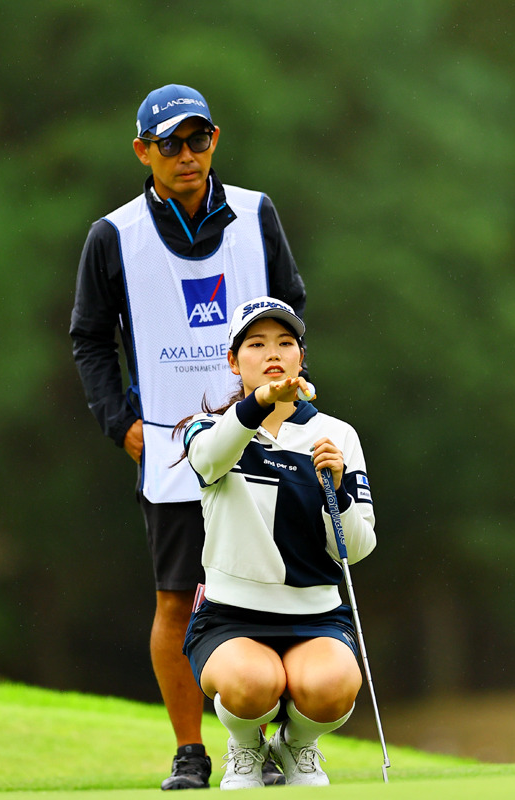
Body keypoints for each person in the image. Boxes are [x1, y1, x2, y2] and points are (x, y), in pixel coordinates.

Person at [69, 84, 306, 790]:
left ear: (215, 141)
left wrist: (280, 391)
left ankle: (262, 744)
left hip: (262, 438)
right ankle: (190, 751)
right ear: (143, 152)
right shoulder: (114, 235)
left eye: (197, 139)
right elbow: (88, 338)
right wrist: (120, 425)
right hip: (173, 449)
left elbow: (292, 310)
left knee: (263, 590)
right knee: (178, 598)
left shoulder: (256, 214)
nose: (186, 155)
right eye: (169, 143)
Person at [178, 297, 376, 789]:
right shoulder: (209, 429)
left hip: (315, 614)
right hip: (231, 616)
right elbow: (209, 459)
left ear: (301, 358)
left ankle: (295, 746)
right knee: (253, 685)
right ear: (233, 360)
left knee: (333, 689)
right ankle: (246, 746)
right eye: (257, 343)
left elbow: (356, 548)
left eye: (286, 343)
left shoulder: (337, 435)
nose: (273, 353)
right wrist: (260, 404)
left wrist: (339, 488)